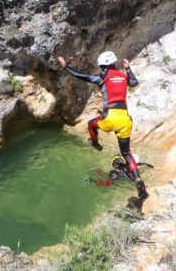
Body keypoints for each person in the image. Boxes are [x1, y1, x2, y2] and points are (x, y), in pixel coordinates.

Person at [57, 52, 149, 200]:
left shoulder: (103, 77)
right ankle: (138, 179)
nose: (100, 70)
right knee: (126, 153)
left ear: (104, 67)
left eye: (101, 67)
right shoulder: (123, 76)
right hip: (125, 118)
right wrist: (128, 68)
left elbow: (83, 77)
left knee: (91, 124)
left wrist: (66, 66)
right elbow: (134, 82)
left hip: (111, 117)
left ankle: (96, 145)